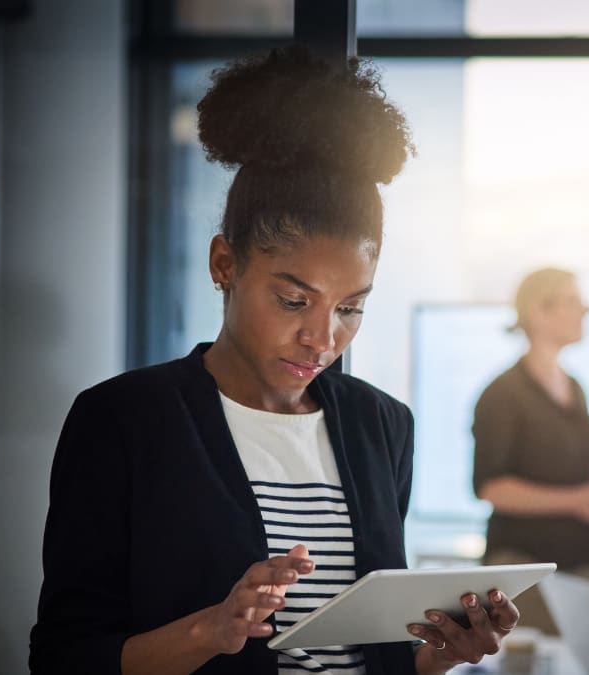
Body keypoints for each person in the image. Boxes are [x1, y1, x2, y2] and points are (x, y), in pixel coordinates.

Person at [28, 46, 519, 675]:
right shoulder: (123, 420)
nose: (323, 338)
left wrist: (440, 655)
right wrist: (211, 630)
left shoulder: (382, 424)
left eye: (350, 308)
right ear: (224, 265)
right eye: (294, 300)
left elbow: (369, 656)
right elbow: (66, 658)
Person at [471, 268, 589, 635]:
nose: (584, 311)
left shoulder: (575, 388)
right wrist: (575, 500)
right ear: (537, 311)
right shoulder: (502, 394)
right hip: (526, 572)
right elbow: (492, 488)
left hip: (581, 566)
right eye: (572, 301)